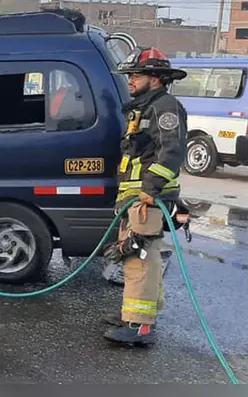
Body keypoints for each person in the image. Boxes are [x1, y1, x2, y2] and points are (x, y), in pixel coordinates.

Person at [101, 47, 188, 345]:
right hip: (135, 200)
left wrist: (149, 191)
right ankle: (134, 315)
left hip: (148, 200)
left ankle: (140, 326)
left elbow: (171, 152)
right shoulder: (144, 108)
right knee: (135, 259)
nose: (130, 81)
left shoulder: (166, 108)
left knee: (140, 259)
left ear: (156, 78)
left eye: (135, 75)